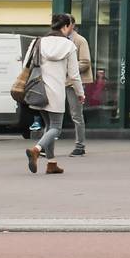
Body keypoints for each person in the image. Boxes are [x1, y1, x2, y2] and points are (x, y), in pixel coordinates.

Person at [17, 16, 82, 175]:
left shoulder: (37, 42)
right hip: (56, 92)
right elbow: (74, 75)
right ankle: (36, 150)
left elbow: (26, 64)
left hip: (38, 91)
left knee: (49, 127)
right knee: (56, 128)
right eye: (71, 26)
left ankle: (52, 164)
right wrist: (80, 93)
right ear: (66, 27)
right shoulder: (69, 45)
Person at [64, 15, 97, 157]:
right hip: (60, 82)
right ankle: (45, 145)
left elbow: (85, 62)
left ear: (72, 25)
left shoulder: (79, 40)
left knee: (76, 115)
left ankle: (80, 145)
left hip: (74, 83)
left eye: (66, 24)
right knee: (52, 114)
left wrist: (66, 68)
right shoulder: (59, 41)